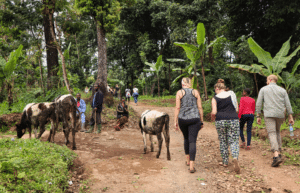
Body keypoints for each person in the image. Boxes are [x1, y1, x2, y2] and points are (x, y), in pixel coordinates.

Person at [256, 75, 294, 167]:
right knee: (277, 132)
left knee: (272, 133)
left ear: (269, 80)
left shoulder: (264, 89)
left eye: (266, 80)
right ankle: (279, 153)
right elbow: (288, 104)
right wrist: (290, 116)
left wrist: (258, 115)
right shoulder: (282, 90)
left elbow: (259, 103)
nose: (266, 82)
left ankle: (276, 156)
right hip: (280, 115)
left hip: (269, 115)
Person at [174, 77, 204, 173]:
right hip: (195, 119)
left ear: (182, 84)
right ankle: (191, 166)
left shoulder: (179, 93)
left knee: (186, 138)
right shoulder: (195, 92)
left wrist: (175, 121)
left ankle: (187, 160)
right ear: (190, 83)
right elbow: (200, 107)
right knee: (192, 142)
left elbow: (177, 108)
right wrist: (201, 120)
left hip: (182, 119)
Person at [211, 82, 240, 174]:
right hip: (233, 119)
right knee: (234, 140)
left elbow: (214, 112)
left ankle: (225, 162)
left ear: (217, 88)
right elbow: (237, 109)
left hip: (220, 120)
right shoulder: (232, 95)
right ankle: (235, 157)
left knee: (223, 140)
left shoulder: (215, 98)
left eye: (215, 90)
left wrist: (212, 116)